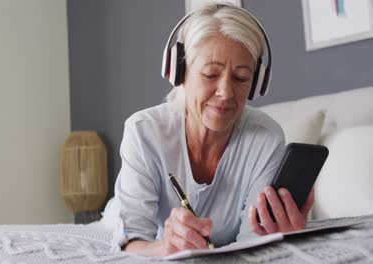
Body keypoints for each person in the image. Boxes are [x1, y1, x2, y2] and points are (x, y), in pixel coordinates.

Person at [101, 3, 314, 257]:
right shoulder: (143, 133)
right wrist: (164, 248)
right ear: (179, 72)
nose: (225, 93)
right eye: (211, 74)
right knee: (114, 215)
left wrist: (280, 237)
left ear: (257, 83)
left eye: (241, 78)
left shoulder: (266, 140)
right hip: (144, 229)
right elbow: (130, 245)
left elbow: (252, 243)